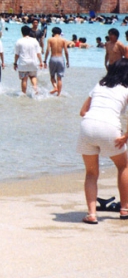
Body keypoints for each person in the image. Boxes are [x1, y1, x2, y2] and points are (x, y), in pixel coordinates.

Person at [77, 58, 128, 224]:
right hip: (110, 128)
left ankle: (91, 214)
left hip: (87, 127)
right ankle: (125, 209)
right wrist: (126, 136)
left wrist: (95, 120)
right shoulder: (126, 89)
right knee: (123, 166)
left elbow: (83, 111)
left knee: (91, 173)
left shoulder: (99, 85)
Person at [14, 24, 43, 95]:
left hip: (23, 63)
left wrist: (15, 63)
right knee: (33, 77)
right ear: (29, 32)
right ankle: (35, 89)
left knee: (24, 79)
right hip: (33, 62)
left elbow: (17, 54)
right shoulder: (34, 40)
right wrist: (41, 62)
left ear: (22, 32)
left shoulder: (19, 41)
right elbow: (38, 53)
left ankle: (23, 94)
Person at [44, 26, 69, 96]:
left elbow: (48, 50)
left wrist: (45, 60)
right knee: (59, 78)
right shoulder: (63, 40)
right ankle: (59, 94)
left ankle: (55, 87)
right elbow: (66, 51)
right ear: (60, 33)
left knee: (52, 76)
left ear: (53, 32)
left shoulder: (50, 39)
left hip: (53, 58)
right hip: (61, 58)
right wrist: (67, 61)